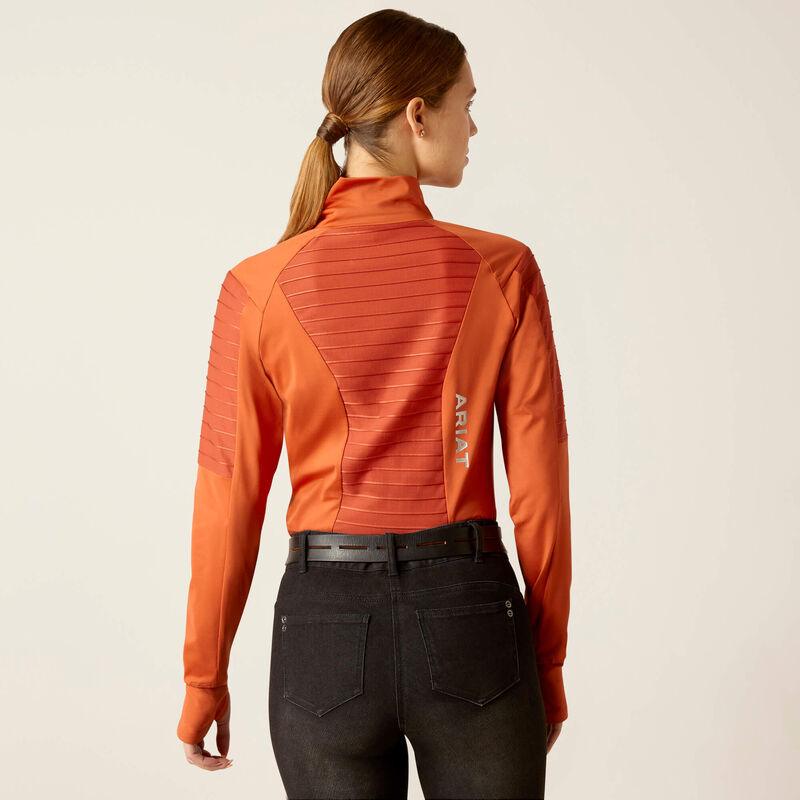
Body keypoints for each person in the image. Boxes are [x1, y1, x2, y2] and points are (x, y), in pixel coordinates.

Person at [176, 9, 572, 799]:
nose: (473, 127)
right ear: (418, 115)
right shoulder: (502, 271)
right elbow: (540, 493)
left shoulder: (258, 286)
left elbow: (228, 495)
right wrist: (547, 664)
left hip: (321, 627)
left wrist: (203, 678)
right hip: (470, 621)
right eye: (466, 104)